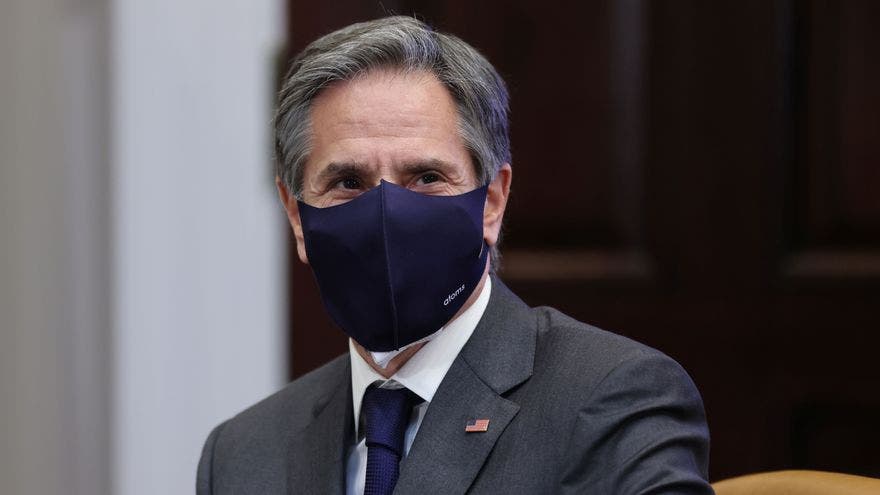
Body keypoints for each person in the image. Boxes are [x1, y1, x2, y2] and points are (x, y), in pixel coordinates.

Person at [197, 16, 712, 495]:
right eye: (348, 181)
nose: (387, 214)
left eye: (426, 177)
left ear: (492, 202)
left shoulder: (611, 400)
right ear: (296, 216)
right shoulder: (243, 453)